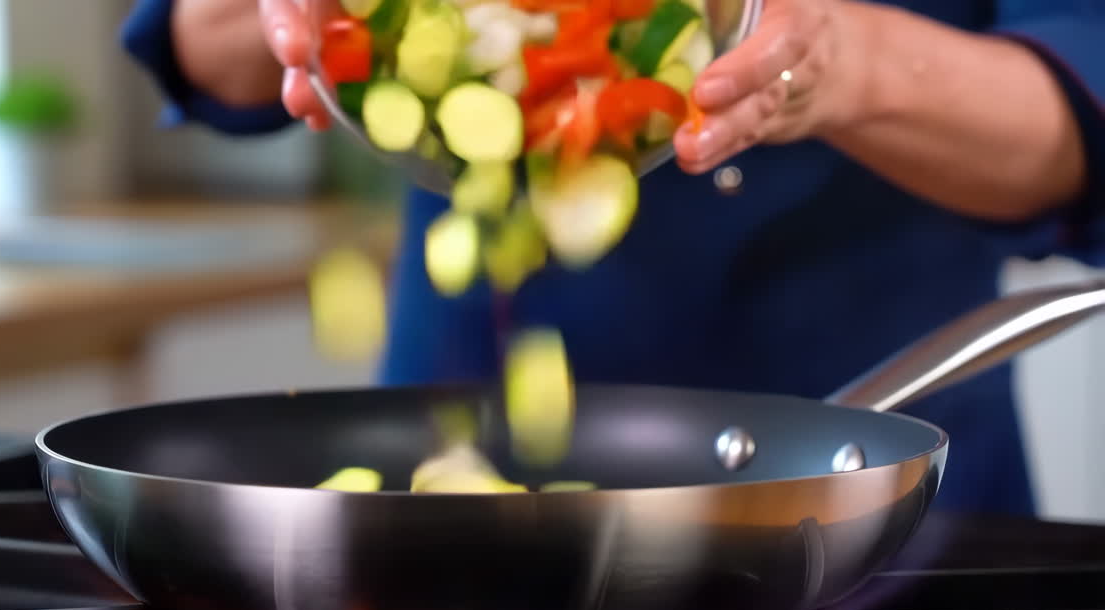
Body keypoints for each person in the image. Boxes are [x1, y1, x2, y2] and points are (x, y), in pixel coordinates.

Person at [121, 0, 1104, 517]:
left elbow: (1080, 127)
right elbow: (193, 39)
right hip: (454, 463)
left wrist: (841, 62)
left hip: (861, 476)